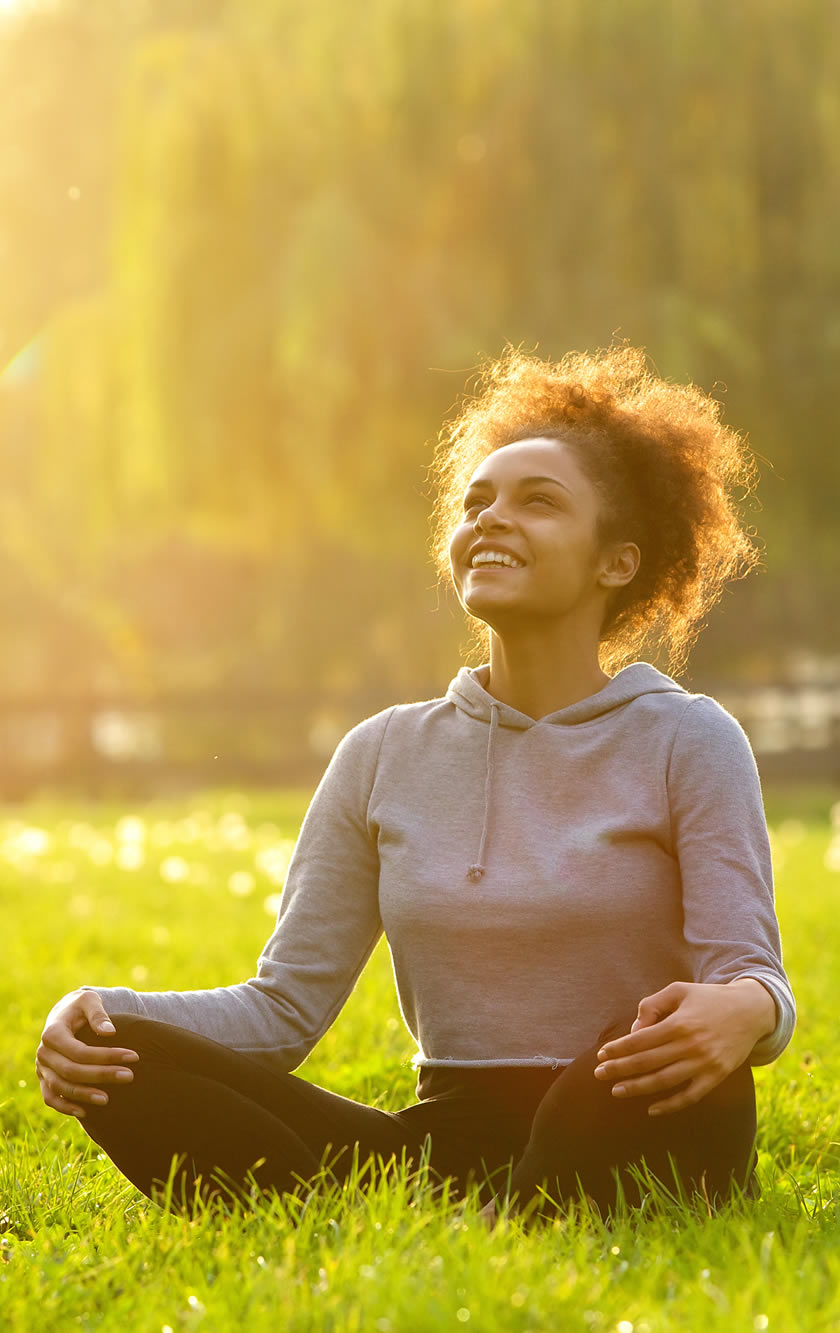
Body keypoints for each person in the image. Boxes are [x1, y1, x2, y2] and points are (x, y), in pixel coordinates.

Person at [35, 344, 795, 1222]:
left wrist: (744, 1012)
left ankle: (508, 1209)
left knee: (619, 1070)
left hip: (634, 1102)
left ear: (615, 562)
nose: (492, 519)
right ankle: (501, 1209)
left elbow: (752, 978)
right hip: (449, 1137)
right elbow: (283, 1007)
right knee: (118, 1054)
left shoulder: (689, 737)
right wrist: (91, 1011)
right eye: (477, 502)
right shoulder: (382, 751)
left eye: (537, 502)